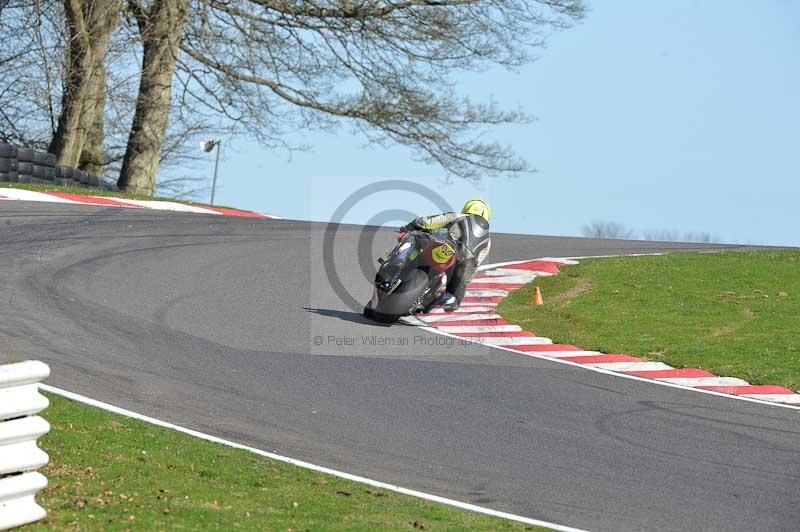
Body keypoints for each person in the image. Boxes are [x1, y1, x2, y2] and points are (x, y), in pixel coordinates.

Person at [401, 199, 491, 312]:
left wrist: (411, 226)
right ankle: (446, 299)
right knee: (453, 294)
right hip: (465, 265)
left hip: (446, 249)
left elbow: (427, 222)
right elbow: (477, 262)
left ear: (468, 208)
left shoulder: (458, 216)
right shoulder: (488, 240)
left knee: (416, 240)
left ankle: (401, 264)